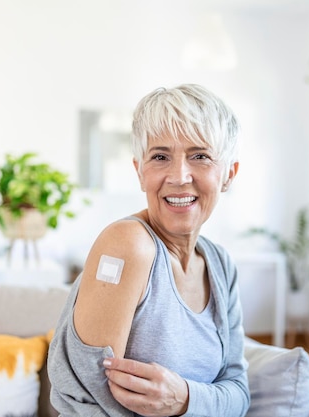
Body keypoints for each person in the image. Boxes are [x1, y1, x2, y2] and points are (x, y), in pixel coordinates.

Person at [47, 84, 250, 417]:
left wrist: (184, 398)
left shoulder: (220, 265)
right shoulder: (128, 245)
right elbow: (90, 400)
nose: (179, 176)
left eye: (199, 155)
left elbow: (239, 392)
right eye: (160, 157)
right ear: (140, 171)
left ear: (229, 174)